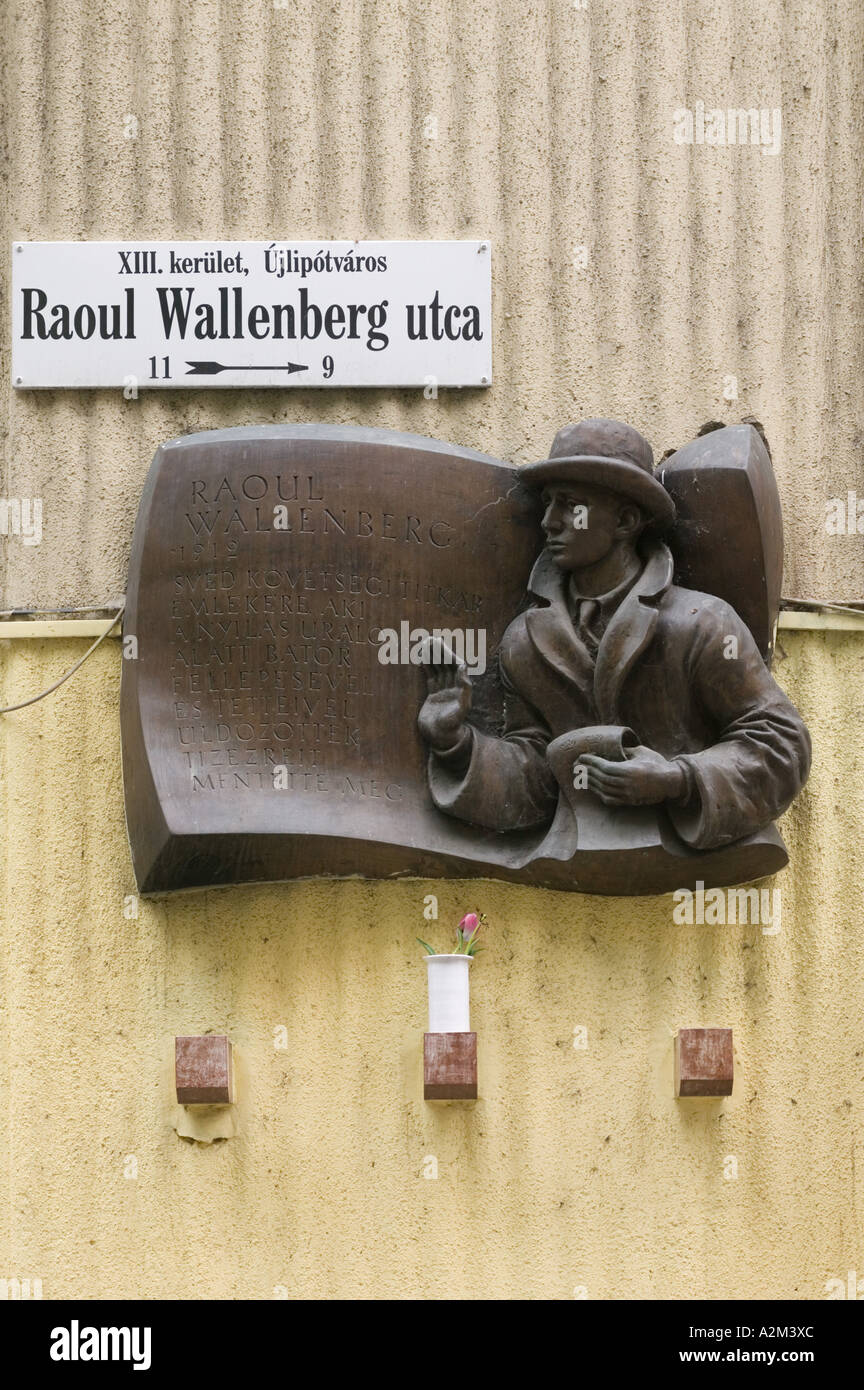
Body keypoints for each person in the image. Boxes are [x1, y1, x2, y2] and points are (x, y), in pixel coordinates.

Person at [418, 418, 811, 852]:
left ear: (625, 520)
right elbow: (537, 775)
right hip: (572, 863)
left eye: (570, 504)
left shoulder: (701, 622)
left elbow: (781, 745)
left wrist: (678, 780)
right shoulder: (524, 640)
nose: (549, 521)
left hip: (677, 854)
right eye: (548, 503)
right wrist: (456, 745)